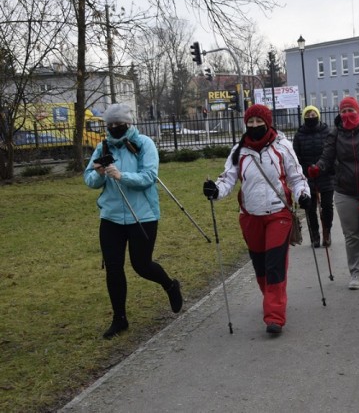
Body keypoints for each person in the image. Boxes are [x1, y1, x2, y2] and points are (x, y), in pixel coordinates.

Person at [202, 104, 311, 335]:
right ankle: (272, 298)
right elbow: (228, 179)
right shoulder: (239, 151)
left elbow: (297, 177)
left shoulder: (283, 147)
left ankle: (274, 316)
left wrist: (304, 194)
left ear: (268, 122)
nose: (254, 126)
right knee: (260, 266)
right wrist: (215, 190)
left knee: (274, 265)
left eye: (258, 122)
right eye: (250, 122)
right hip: (250, 216)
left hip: (278, 214)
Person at [84, 103, 183, 340]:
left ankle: (170, 286)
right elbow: (88, 180)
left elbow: (149, 177)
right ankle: (119, 318)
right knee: (114, 267)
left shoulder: (144, 144)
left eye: (121, 124)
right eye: (111, 125)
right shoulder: (102, 147)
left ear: (130, 124)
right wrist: (98, 173)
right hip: (111, 217)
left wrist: (121, 175)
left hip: (143, 215)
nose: (116, 128)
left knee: (141, 265)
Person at [307, 96, 359, 290]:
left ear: (358, 111)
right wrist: (318, 168)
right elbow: (327, 157)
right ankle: (357, 273)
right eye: (343, 111)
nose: (347, 114)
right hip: (344, 190)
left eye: (350, 110)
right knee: (351, 234)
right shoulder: (335, 135)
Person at [293, 105, 335, 248]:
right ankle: (314, 235)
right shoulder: (299, 135)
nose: (311, 117)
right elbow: (295, 157)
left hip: (325, 175)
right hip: (307, 176)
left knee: (327, 206)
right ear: (304, 117)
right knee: (310, 208)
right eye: (308, 115)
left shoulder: (327, 132)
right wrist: (304, 171)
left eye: (313, 114)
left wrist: (326, 168)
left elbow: (331, 153)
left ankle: (327, 232)